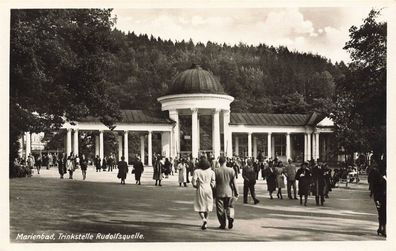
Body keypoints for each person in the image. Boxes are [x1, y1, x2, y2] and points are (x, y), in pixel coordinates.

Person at [214, 156, 239, 230]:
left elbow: (213, 183)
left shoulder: (216, 171)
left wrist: (213, 192)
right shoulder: (231, 170)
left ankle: (223, 224)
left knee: (220, 209)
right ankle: (230, 217)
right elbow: (234, 183)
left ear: (219, 162)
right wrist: (236, 193)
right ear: (225, 162)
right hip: (229, 192)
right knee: (229, 207)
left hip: (219, 192)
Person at [192, 156, 216, 230]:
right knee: (207, 206)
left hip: (200, 189)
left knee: (200, 206)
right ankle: (206, 221)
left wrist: (196, 186)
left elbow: (193, 182)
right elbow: (213, 182)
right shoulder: (211, 172)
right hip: (208, 189)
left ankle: (203, 219)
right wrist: (211, 186)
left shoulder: (197, 171)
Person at [370, 159, 386, 237]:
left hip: (379, 196)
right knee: (383, 212)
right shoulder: (377, 174)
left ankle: (382, 228)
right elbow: (372, 183)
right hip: (380, 196)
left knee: (382, 212)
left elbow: (371, 183)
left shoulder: (376, 173)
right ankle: (382, 228)